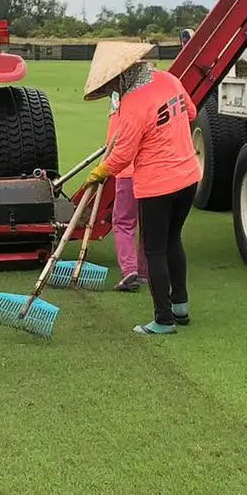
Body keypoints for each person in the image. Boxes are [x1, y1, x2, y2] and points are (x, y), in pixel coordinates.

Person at [83, 41, 200, 335]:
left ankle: (163, 319)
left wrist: (99, 173)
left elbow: (122, 156)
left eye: (113, 84)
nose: (112, 90)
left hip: (158, 185)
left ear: (122, 76)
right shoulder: (170, 79)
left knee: (155, 249)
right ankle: (180, 306)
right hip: (188, 177)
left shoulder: (133, 104)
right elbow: (192, 113)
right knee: (174, 240)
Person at [104, 89, 149, 292]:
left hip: (126, 170)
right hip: (149, 170)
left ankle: (130, 271)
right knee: (148, 222)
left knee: (123, 222)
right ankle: (147, 271)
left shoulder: (120, 97)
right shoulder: (148, 95)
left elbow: (116, 137)